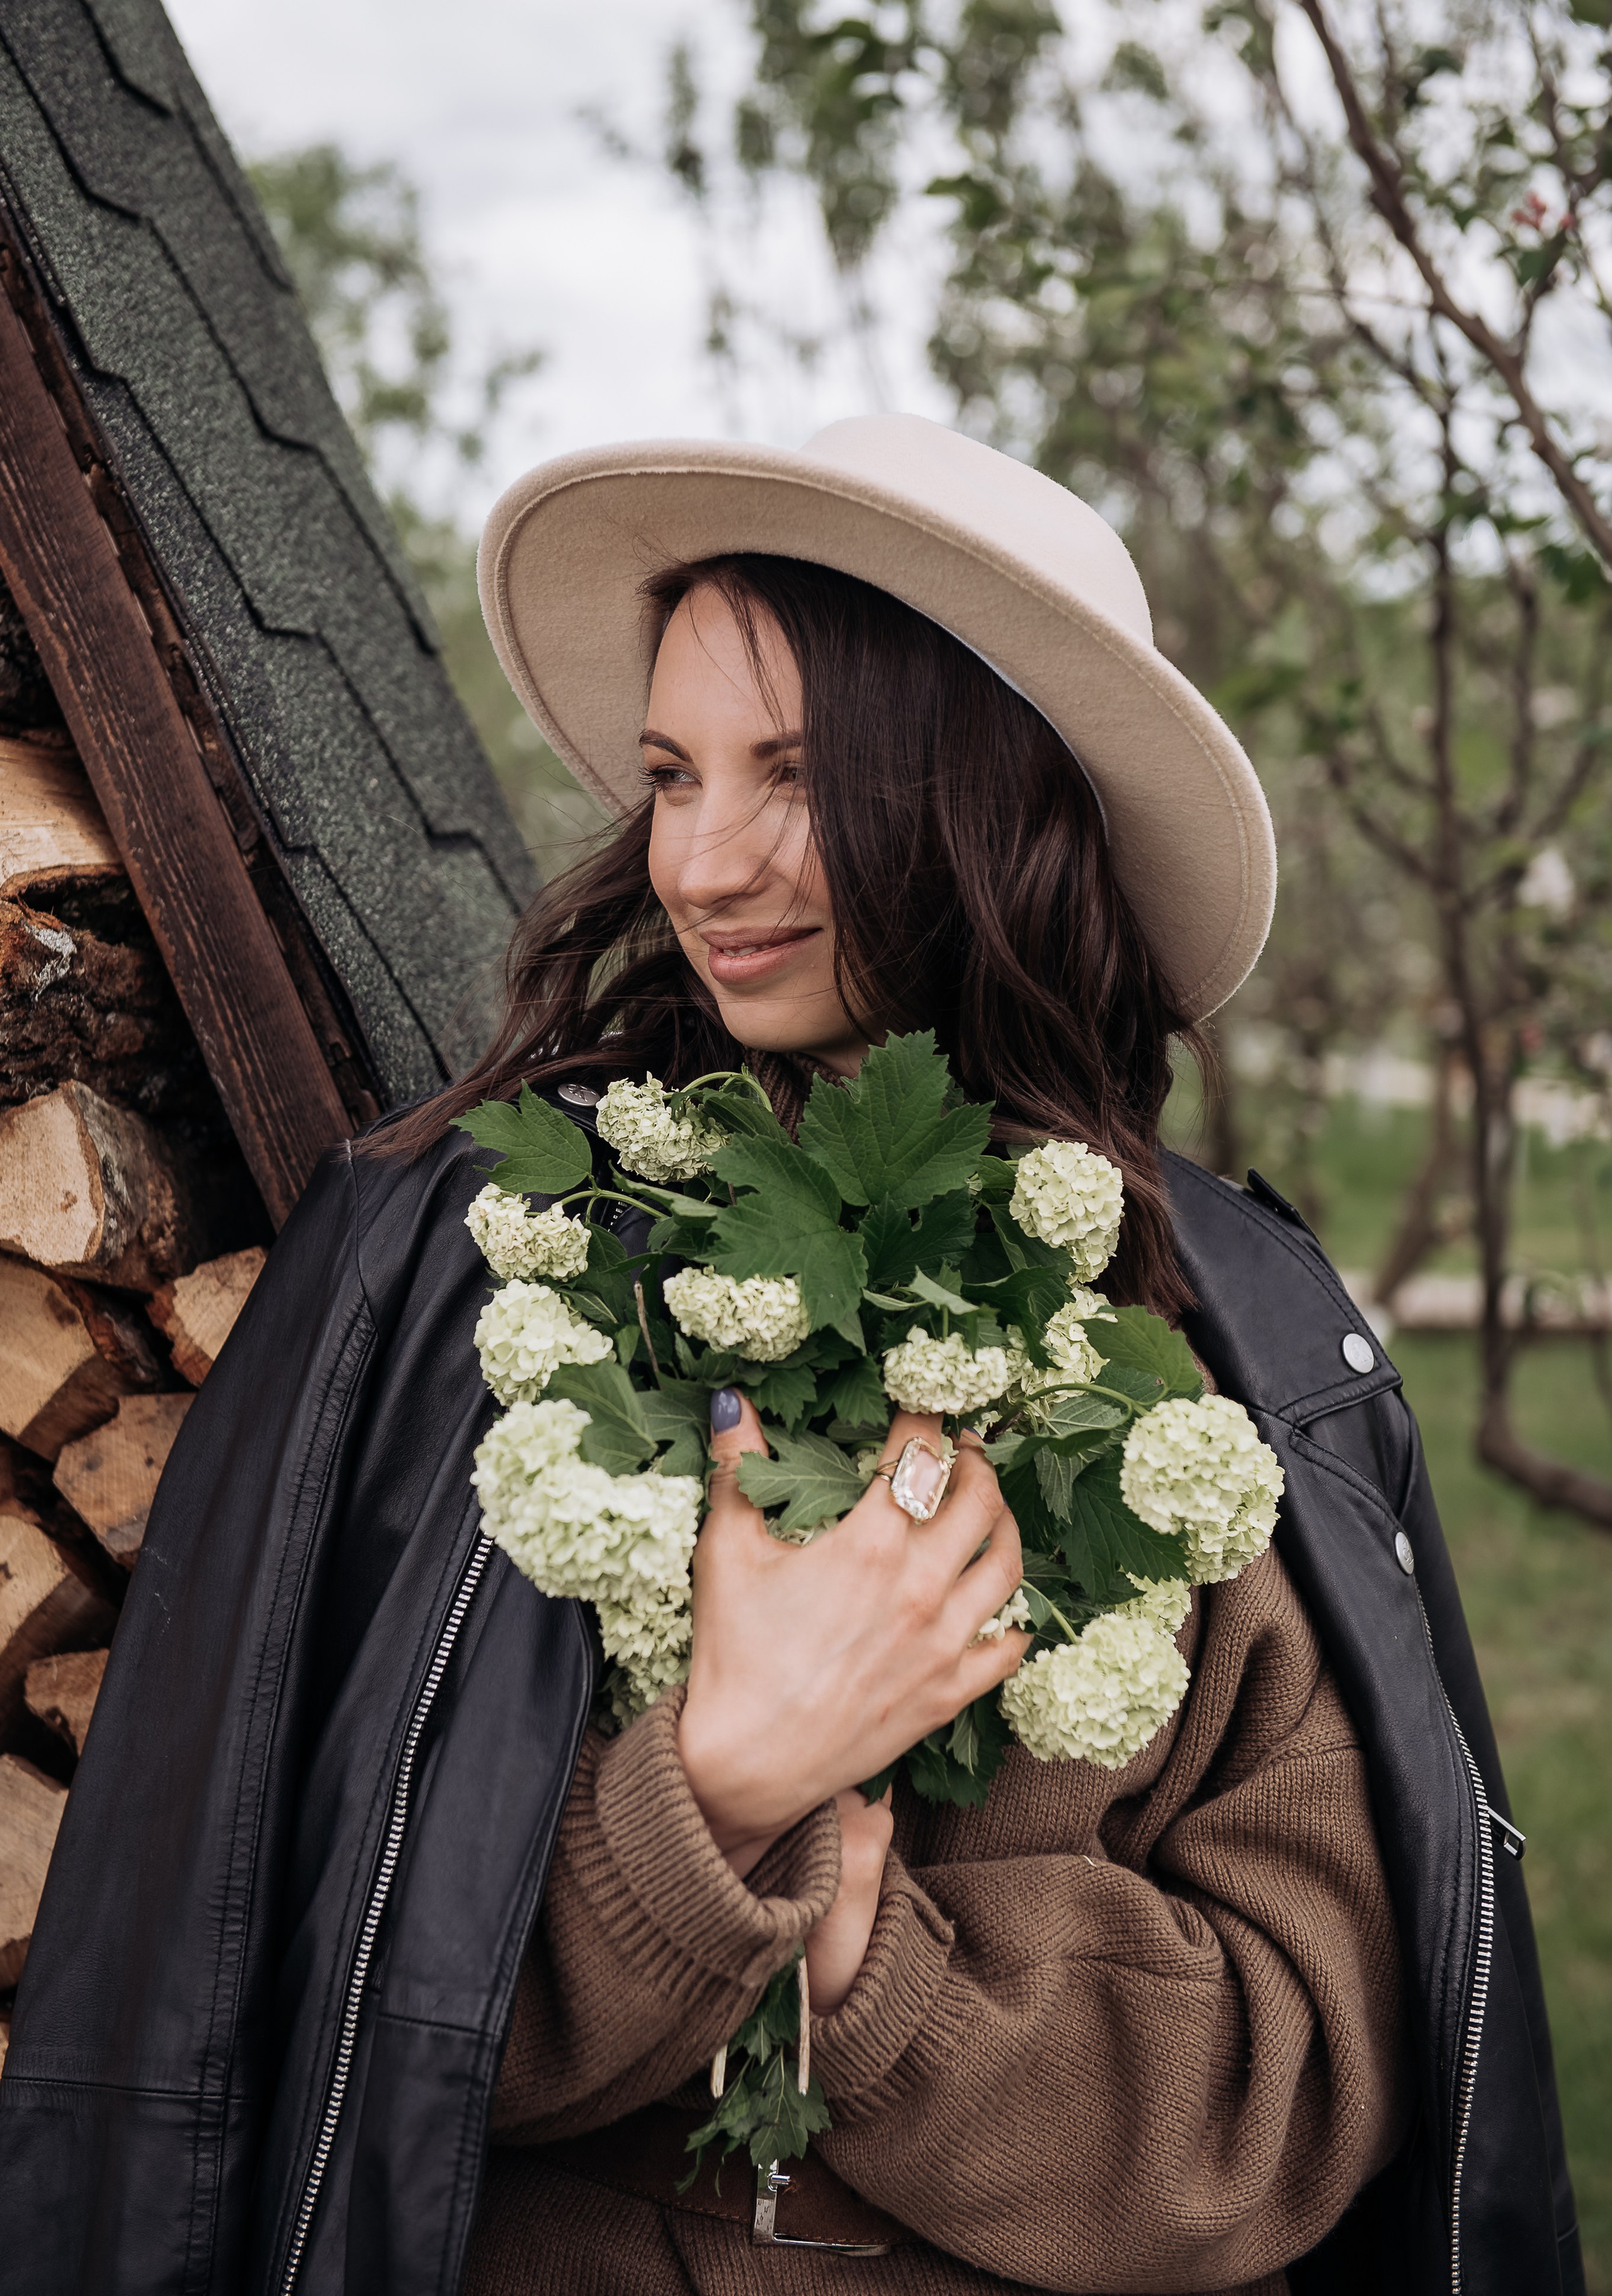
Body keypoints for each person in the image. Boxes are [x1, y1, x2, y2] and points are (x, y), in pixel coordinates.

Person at [0, 419, 1579, 2296]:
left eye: (801, 775)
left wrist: (868, 1973)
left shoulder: (1227, 1361)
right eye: (673, 774)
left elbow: (1292, 2098)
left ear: (994, 802)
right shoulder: (461, 1255)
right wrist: (724, 1791)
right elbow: (265, 1988)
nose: (704, 860)